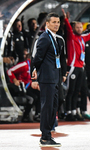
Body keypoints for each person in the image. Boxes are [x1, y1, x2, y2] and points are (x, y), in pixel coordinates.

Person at [32, 12, 65, 147]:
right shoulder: (44, 38)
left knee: (53, 106)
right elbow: (37, 57)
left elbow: (60, 58)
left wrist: (62, 74)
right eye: (54, 22)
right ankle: (45, 137)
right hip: (46, 78)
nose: (56, 24)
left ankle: (48, 134)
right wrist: (36, 72)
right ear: (47, 23)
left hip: (54, 77)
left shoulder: (57, 38)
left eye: (58, 22)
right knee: (47, 107)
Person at [7, 50, 39, 122]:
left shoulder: (34, 67)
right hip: (21, 88)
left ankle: (38, 114)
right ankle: (25, 116)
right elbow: (9, 71)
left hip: (29, 87)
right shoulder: (24, 65)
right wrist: (15, 80)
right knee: (33, 98)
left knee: (40, 94)